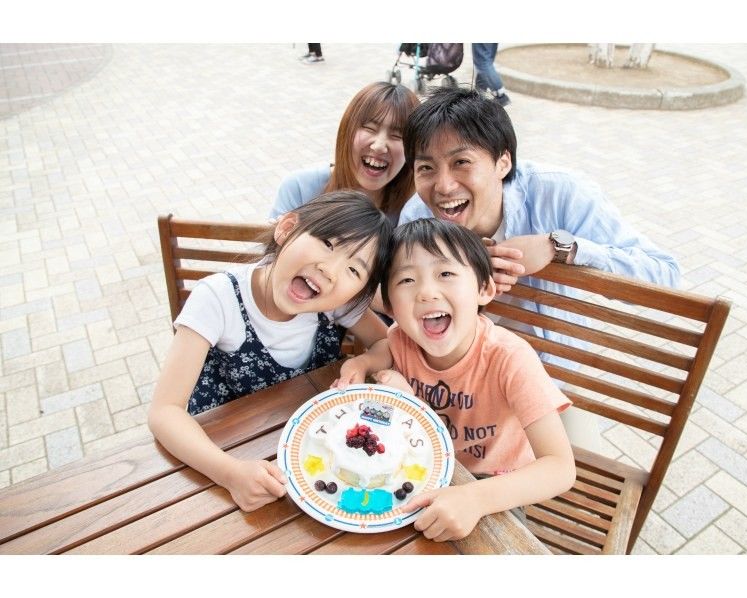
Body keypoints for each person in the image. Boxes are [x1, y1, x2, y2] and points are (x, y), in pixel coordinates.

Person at [398, 86, 681, 450]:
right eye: (426, 168)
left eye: (461, 162)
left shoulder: (561, 194)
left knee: (574, 489)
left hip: (552, 382)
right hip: (460, 385)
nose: (444, 185)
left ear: (503, 161)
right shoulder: (418, 217)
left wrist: (558, 247)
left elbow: (664, 273)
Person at [148, 191, 393, 513]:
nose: (331, 270)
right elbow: (164, 412)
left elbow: (385, 342)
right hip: (220, 453)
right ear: (287, 227)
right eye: (329, 244)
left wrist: (363, 361)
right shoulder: (217, 298)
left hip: (311, 456)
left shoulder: (338, 304)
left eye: (354, 270)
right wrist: (230, 473)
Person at [334, 218, 576, 541]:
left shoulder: (510, 359)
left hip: (490, 485)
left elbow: (560, 467)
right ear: (390, 306)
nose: (426, 292)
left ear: (484, 288)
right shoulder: (402, 338)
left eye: (445, 273)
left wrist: (476, 498)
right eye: (406, 279)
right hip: (419, 466)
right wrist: (365, 361)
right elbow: (386, 347)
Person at [270, 82, 420, 227]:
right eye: (369, 128)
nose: (379, 146)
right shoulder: (299, 188)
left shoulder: (415, 211)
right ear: (347, 130)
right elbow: (271, 251)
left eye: (397, 135)